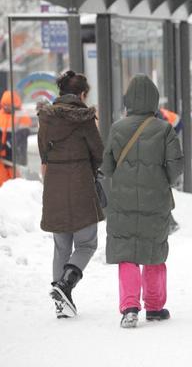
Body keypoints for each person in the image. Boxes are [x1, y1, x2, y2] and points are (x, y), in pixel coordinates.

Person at [102, 74, 184, 328]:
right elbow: (176, 165)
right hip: (155, 200)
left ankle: (129, 307)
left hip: (122, 200)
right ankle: (155, 306)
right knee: (154, 250)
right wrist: (163, 180)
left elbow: (107, 165)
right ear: (153, 100)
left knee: (127, 252)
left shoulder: (117, 128)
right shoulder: (164, 129)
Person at [37, 71, 104, 318]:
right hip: (80, 186)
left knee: (61, 246)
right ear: (82, 94)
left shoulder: (45, 119)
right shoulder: (85, 119)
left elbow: (44, 151)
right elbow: (99, 152)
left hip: (54, 185)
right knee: (87, 243)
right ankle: (65, 285)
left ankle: (61, 304)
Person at [0, 90, 32, 186]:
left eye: (9, 105)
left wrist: (8, 144)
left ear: (15, 104)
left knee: (17, 183)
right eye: (5, 105)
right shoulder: (0, 115)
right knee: (2, 182)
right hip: (2, 157)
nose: (6, 107)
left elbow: (21, 135)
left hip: (15, 157)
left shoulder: (22, 116)